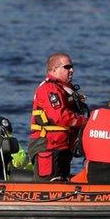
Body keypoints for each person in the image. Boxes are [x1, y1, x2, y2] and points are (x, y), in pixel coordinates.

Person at [28, 53, 87, 181]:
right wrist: (87, 122)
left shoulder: (64, 89)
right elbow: (61, 117)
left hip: (62, 146)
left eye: (72, 67)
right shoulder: (49, 89)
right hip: (48, 147)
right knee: (48, 185)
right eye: (67, 67)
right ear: (54, 70)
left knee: (61, 181)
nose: (71, 70)